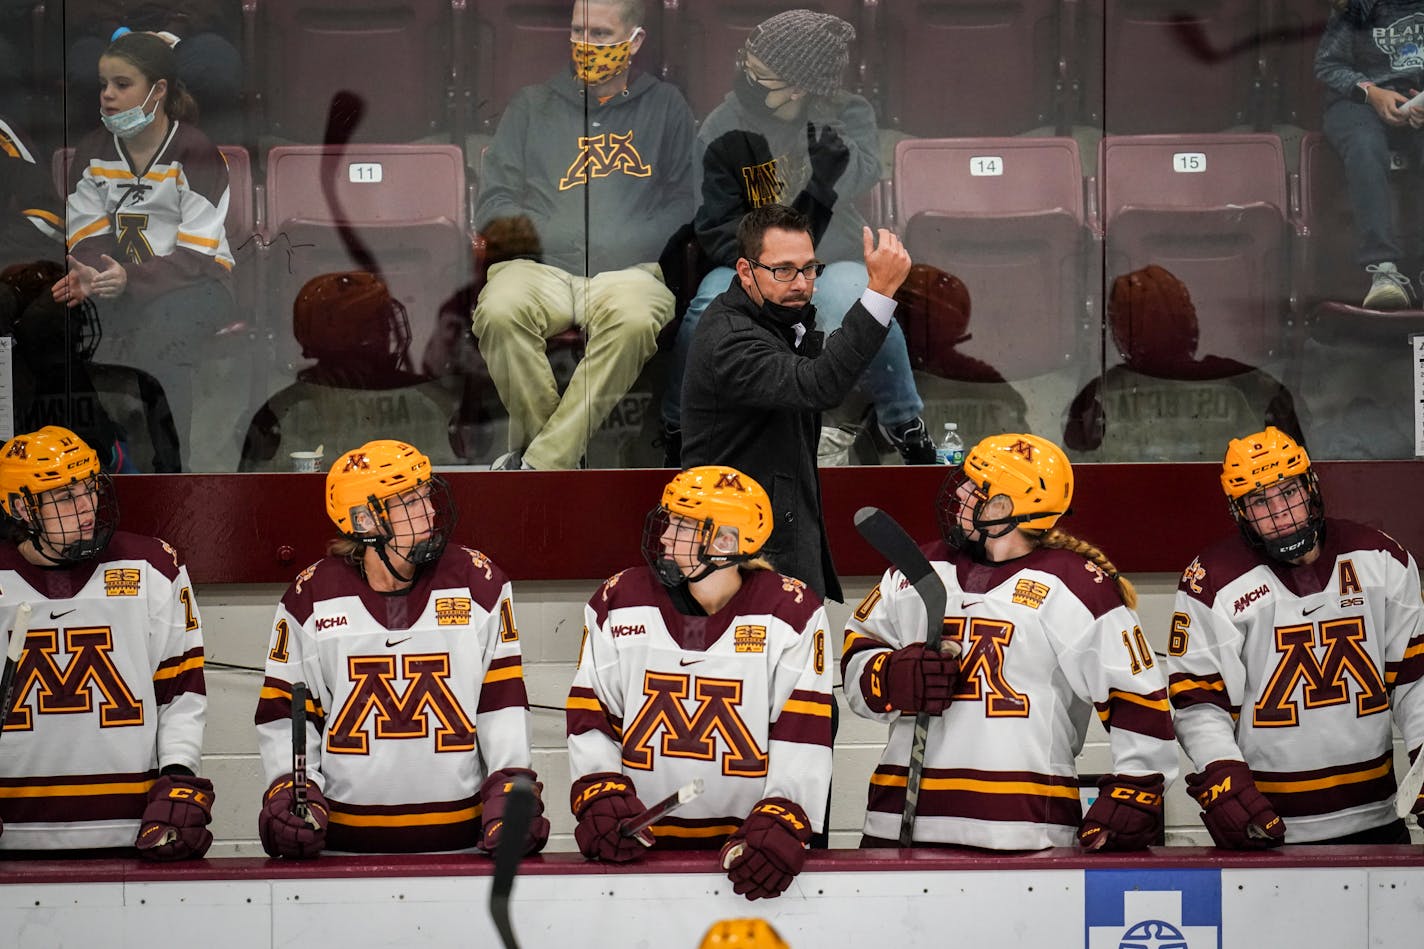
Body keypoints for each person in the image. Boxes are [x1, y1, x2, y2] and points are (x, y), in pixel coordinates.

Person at [842, 433, 1179, 849]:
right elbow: (857, 652)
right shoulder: (915, 568)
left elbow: (1138, 696)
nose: (960, 492)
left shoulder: (1077, 586)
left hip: (1023, 826)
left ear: (1004, 509)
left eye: (975, 487)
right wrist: (889, 675)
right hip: (897, 820)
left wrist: (1137, 784)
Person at [253, 439, 550, 857]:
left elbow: (500, 705)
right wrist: (289, 790)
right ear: (363, 520)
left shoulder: (480, 584)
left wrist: (510, 787)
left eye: (426, 496)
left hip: (461, 848)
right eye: (409, 503)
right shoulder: (311, 597)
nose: (429, 511)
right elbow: (286, 717)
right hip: (341, 855)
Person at [664, 8, 933, 466]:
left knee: (868, 304)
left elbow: (860, 175)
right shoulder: (721, 128)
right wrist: (767, 271)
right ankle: (678, 426)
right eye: (748, 64)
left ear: (799, 88)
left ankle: (904, 424)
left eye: (762, 77)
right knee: (704, 314)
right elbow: (713, 224)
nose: (747, 78)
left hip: (830, 258)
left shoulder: (847, 114)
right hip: (744, 265)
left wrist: (822, 155)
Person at [567, 466, 832, 901]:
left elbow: (801, 734)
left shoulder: (791, 612)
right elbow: (592, 716)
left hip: (744, 857)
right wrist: (601, 795)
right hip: (637, 856)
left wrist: (783, 818)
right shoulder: (619, 600)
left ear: (725, 543)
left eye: (682, 525)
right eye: (668, 520)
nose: (665, 537)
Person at [1167, 426, 1424, 846]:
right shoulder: (1213, 580)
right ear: (1239, 512)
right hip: (1270, 826)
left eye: (1287, 492)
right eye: (1259, 501)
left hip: (1377, 816)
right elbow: (1200, 703)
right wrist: (1223, 775)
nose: (1279, 512)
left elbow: (1415, 681)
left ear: (1311, 487)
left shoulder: (1382, 558)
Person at [471, 0, 694, 470]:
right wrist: (541, 239)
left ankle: (536, 465)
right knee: (498, 310)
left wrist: (625, 240)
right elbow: (494, 199)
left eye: (600, 34)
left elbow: (685, 204)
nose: (586, 45)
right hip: (539, 269)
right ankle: (558, 461)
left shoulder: (666, 106)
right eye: (578, 31)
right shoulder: (532, 105)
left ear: (634, 42)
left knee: (635, 319)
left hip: (629, 272)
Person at [680, 203, 912, 603]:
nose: (801, 283)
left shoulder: (781, 321)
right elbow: (817, 385)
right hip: (733, 556)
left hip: (775, 543)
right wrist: (879, 293)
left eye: (809, 269)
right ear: (745, 271)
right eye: (783, 269)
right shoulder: (729, 339)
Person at [0, 425, 212, 858]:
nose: (86, 508)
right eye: (64, 497)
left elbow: (180, 693)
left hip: (134, 830)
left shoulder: (153, 568)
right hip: (13, 833)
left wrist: (178, 777)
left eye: (89, 489)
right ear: (22, 507)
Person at [51, 30, 235, 471]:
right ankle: (99, 449)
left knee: (162, 337)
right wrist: (93, 275)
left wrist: (128, 279)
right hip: (117, 284)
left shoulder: (195, 151)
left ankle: (172, 469)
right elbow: (86, 233)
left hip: (199, 284)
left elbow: (198, 254)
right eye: (103, 85)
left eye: (122, 84)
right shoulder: (94, 150)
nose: (108, 96)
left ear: (158, 90)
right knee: (46, 322)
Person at [1062, 264, 1305, 462]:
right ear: (1190, 322)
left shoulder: (1097, 395)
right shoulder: (1255, 387)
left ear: (1119, 335)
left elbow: (1073, 489)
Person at [239, 272, 466, 471]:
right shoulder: (433, 400)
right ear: (355, 335)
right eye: (380, 321)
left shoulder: (282, 410)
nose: (389, 330)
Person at [1316, 0, 1424, 309]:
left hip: (1414, 103)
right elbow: (1328, 65)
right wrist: (1372, 93)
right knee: (1365, 144)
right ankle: (1383, 271)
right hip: (1357, 102)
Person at [63, 3, 243, 144]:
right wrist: (119, 34)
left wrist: (171, 32)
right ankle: (99, 155)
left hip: (183, 34)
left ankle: (198, 156)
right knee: (85, 71)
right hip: (107, 34)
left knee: (217, 70)